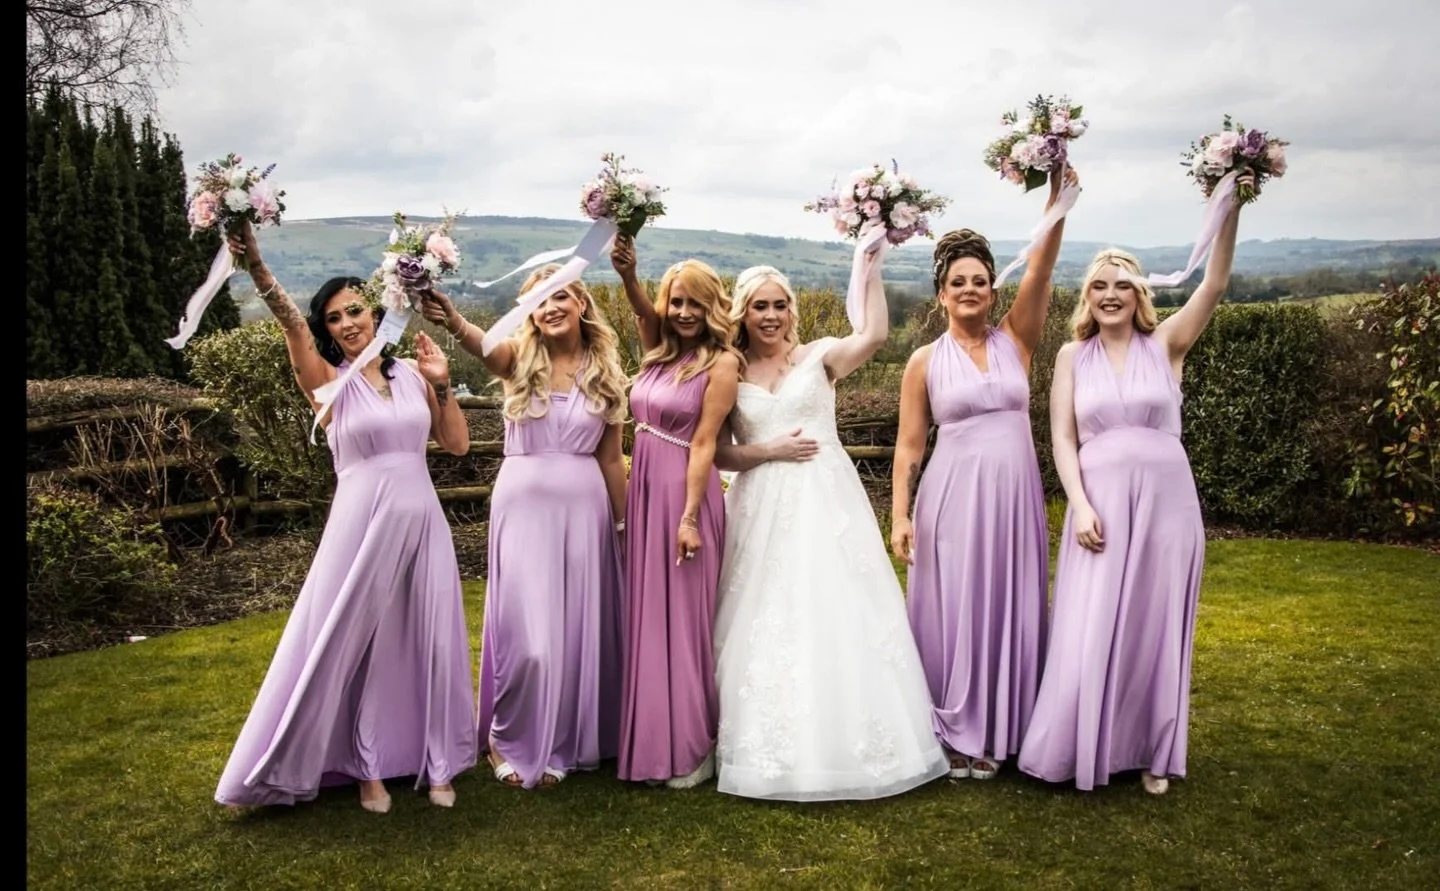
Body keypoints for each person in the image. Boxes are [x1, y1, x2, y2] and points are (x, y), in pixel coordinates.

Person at [214, 220, 475, 813]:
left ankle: (437, 759)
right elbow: (287, 321)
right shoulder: (327, 385)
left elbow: (456, 446)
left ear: (376, 312)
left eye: (355, 309)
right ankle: (367, 768)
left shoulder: (410, 373)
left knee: (427, 636)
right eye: (334, 318)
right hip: (361, 525)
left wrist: (443, 385)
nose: (347, 323)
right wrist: (254, 262)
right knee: (356, 642)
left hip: (422, 521)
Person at [1018, 173, 1255, 794]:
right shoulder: (1073, 357)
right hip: (1098, 503)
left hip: (1167, 505)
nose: (1111, 294)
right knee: (1089, 622)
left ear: (1140, 293)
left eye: (1123, 284)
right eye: (1099, 285)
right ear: (1087, 297)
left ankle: (1153, 750)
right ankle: (1082, 742)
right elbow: (1063, 439)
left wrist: (1230, 206)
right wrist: (1081, 504)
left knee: (1154, 622)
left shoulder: (1167, 343)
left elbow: (1216, 283)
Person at [711, 263, 950, 800]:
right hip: (759, 505)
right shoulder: (730, 370)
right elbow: (719, 450)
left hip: (825, 500)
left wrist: (872, 257)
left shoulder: (820, 357)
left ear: (790, 309)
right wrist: (768, 451)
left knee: (835, 608)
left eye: (779, 305)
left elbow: (875, 334)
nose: (771, 316)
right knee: (763, 611)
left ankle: (851, 739)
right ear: (742, 314)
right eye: (759, 306)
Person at [890, 169, 1080, 781]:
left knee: (1010, 603)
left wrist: (1056, 204)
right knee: (955, 608)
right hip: (950, 499)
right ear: (940, 294)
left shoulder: (1016, 342)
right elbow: (909, 446)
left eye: (979, 281)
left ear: (991, 292)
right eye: (957, 283)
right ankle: (954, 730)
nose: (969, 290)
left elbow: (1041, 272)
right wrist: (899, 513)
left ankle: (1006, 728)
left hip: (1015, 499)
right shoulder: (923, 362)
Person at [420, 267, 628, 790]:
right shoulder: (517, 359)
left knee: (572, 631)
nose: (550, 307)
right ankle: (503, 738)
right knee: (529, 638)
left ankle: (561, 740)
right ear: (529, 314)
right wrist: (452, 318)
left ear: (580, 302)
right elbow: (480, 345)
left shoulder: (607, 375)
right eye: (538, 300)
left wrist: (623, 522)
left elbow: (610, 459)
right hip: (523, 511)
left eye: (559, 295)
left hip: (585, 513)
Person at [610, 234, 740, 788]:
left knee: (685, 627)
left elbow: (707, 444)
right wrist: (629, 275)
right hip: (646, 493)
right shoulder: (660, 353)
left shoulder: (723, 364)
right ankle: (653, 741)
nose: (684, 312)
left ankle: (695, 747)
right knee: (649, 620)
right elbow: (643, 311)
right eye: (676, 302)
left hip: (687, 496)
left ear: (711, 307)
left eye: (695, 302)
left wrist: (688, 518)